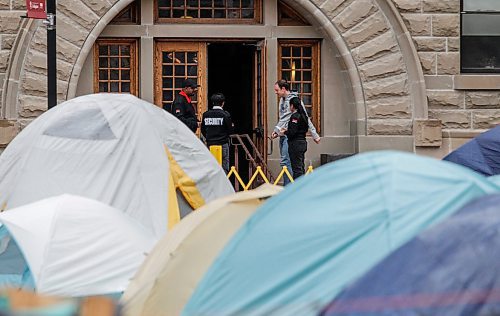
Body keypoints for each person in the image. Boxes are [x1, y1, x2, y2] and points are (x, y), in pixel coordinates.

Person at [271, 79, 320, 184]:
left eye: (277, 90)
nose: (276, 92)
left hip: (291, 136)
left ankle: (289, 187)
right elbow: (282, 118)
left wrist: (314, 134)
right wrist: (278, 131)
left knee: (287, 161)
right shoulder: (282, 100)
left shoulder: (294, 101)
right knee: (288, 161)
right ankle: (292, 185)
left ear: (283, 89)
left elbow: (305, 117)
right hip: (283, 134)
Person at [201, 93, 234, 173]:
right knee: (224, 167)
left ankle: (212, 184)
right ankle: (223, 183)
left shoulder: (206, 115)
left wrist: (209, 137)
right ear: (223, 103)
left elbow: (203, 130)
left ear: (212, 103)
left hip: (210, 144)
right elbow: (230, 130)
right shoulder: (225, 115)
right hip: (223, 144)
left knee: (211, 166)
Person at [280, 97, 308, 179]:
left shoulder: (295, 117)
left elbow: (292, 132)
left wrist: (284, 132)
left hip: (295, 144)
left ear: (292, 106)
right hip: (303, 142)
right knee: (301, 166)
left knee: (296, 168)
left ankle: (298, 187)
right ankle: (302, 186)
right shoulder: (304, 116)